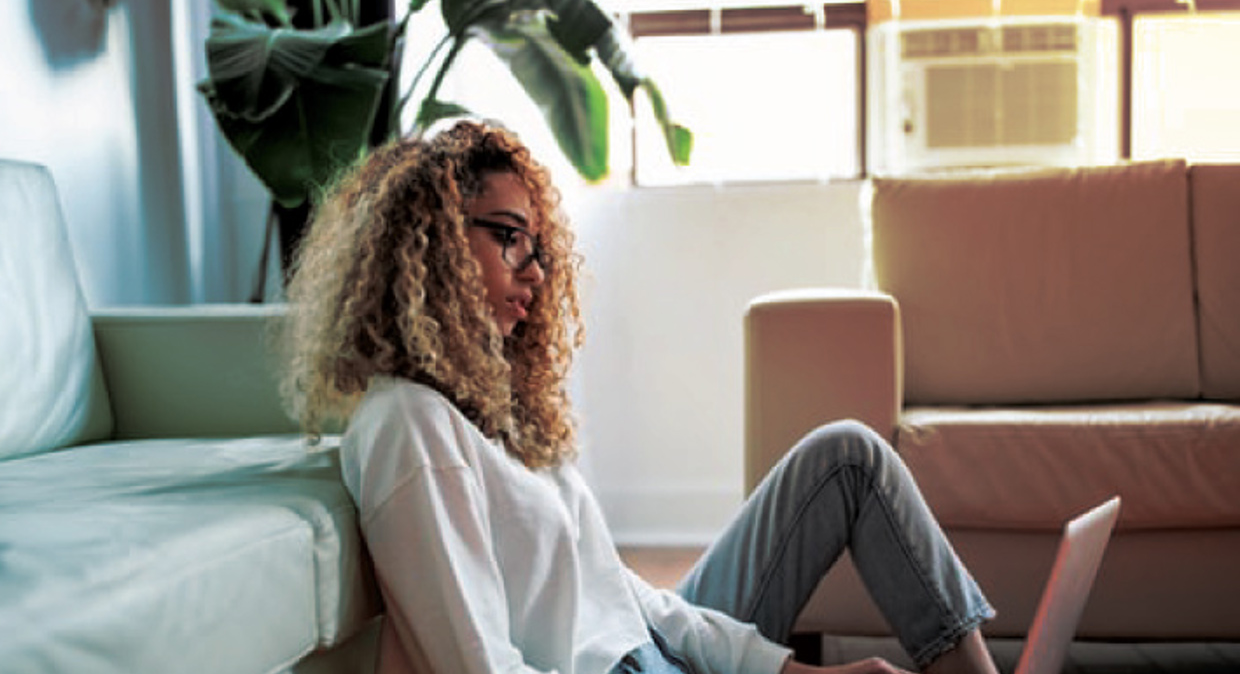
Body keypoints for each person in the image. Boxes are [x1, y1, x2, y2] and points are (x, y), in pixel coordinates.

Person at [278, 120, 999, 674]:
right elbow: (479, 663)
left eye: (539, 249)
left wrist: (787, 670)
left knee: (847, 457)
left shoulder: (502, 414)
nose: (533, 274)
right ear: (431, 241)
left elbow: (623, 595)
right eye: (508, 239)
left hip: (650, 643)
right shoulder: (410, 423)